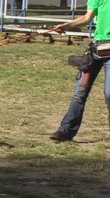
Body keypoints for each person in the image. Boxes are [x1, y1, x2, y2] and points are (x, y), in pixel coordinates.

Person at [50, 0, 110, 142]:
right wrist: (66, 26)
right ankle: (66, 131)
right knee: (80, 92)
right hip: (97, 49)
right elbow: (87, 17)